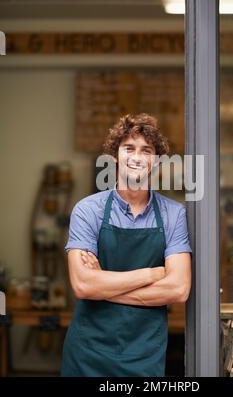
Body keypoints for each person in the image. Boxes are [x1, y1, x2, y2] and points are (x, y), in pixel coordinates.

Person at [61, 113, 192, 377]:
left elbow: (178, 289)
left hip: (145, 351)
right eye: (128, 148)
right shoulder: (88, 210)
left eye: (146, 150)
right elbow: (83, 284)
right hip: (89, 352)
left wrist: (103, 287)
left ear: (155, 161)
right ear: (114, 157)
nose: (137, 156)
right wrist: (152, 274)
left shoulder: (174, 214)